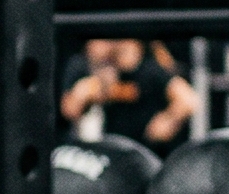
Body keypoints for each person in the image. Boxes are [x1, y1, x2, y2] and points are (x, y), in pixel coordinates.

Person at [59, 37, 197, 148]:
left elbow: (188, 100)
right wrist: (83, 94)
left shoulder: (150, 70)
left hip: (145, 149)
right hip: (111, 148)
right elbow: (69, 110)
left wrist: (168, 121)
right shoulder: (92, 70)